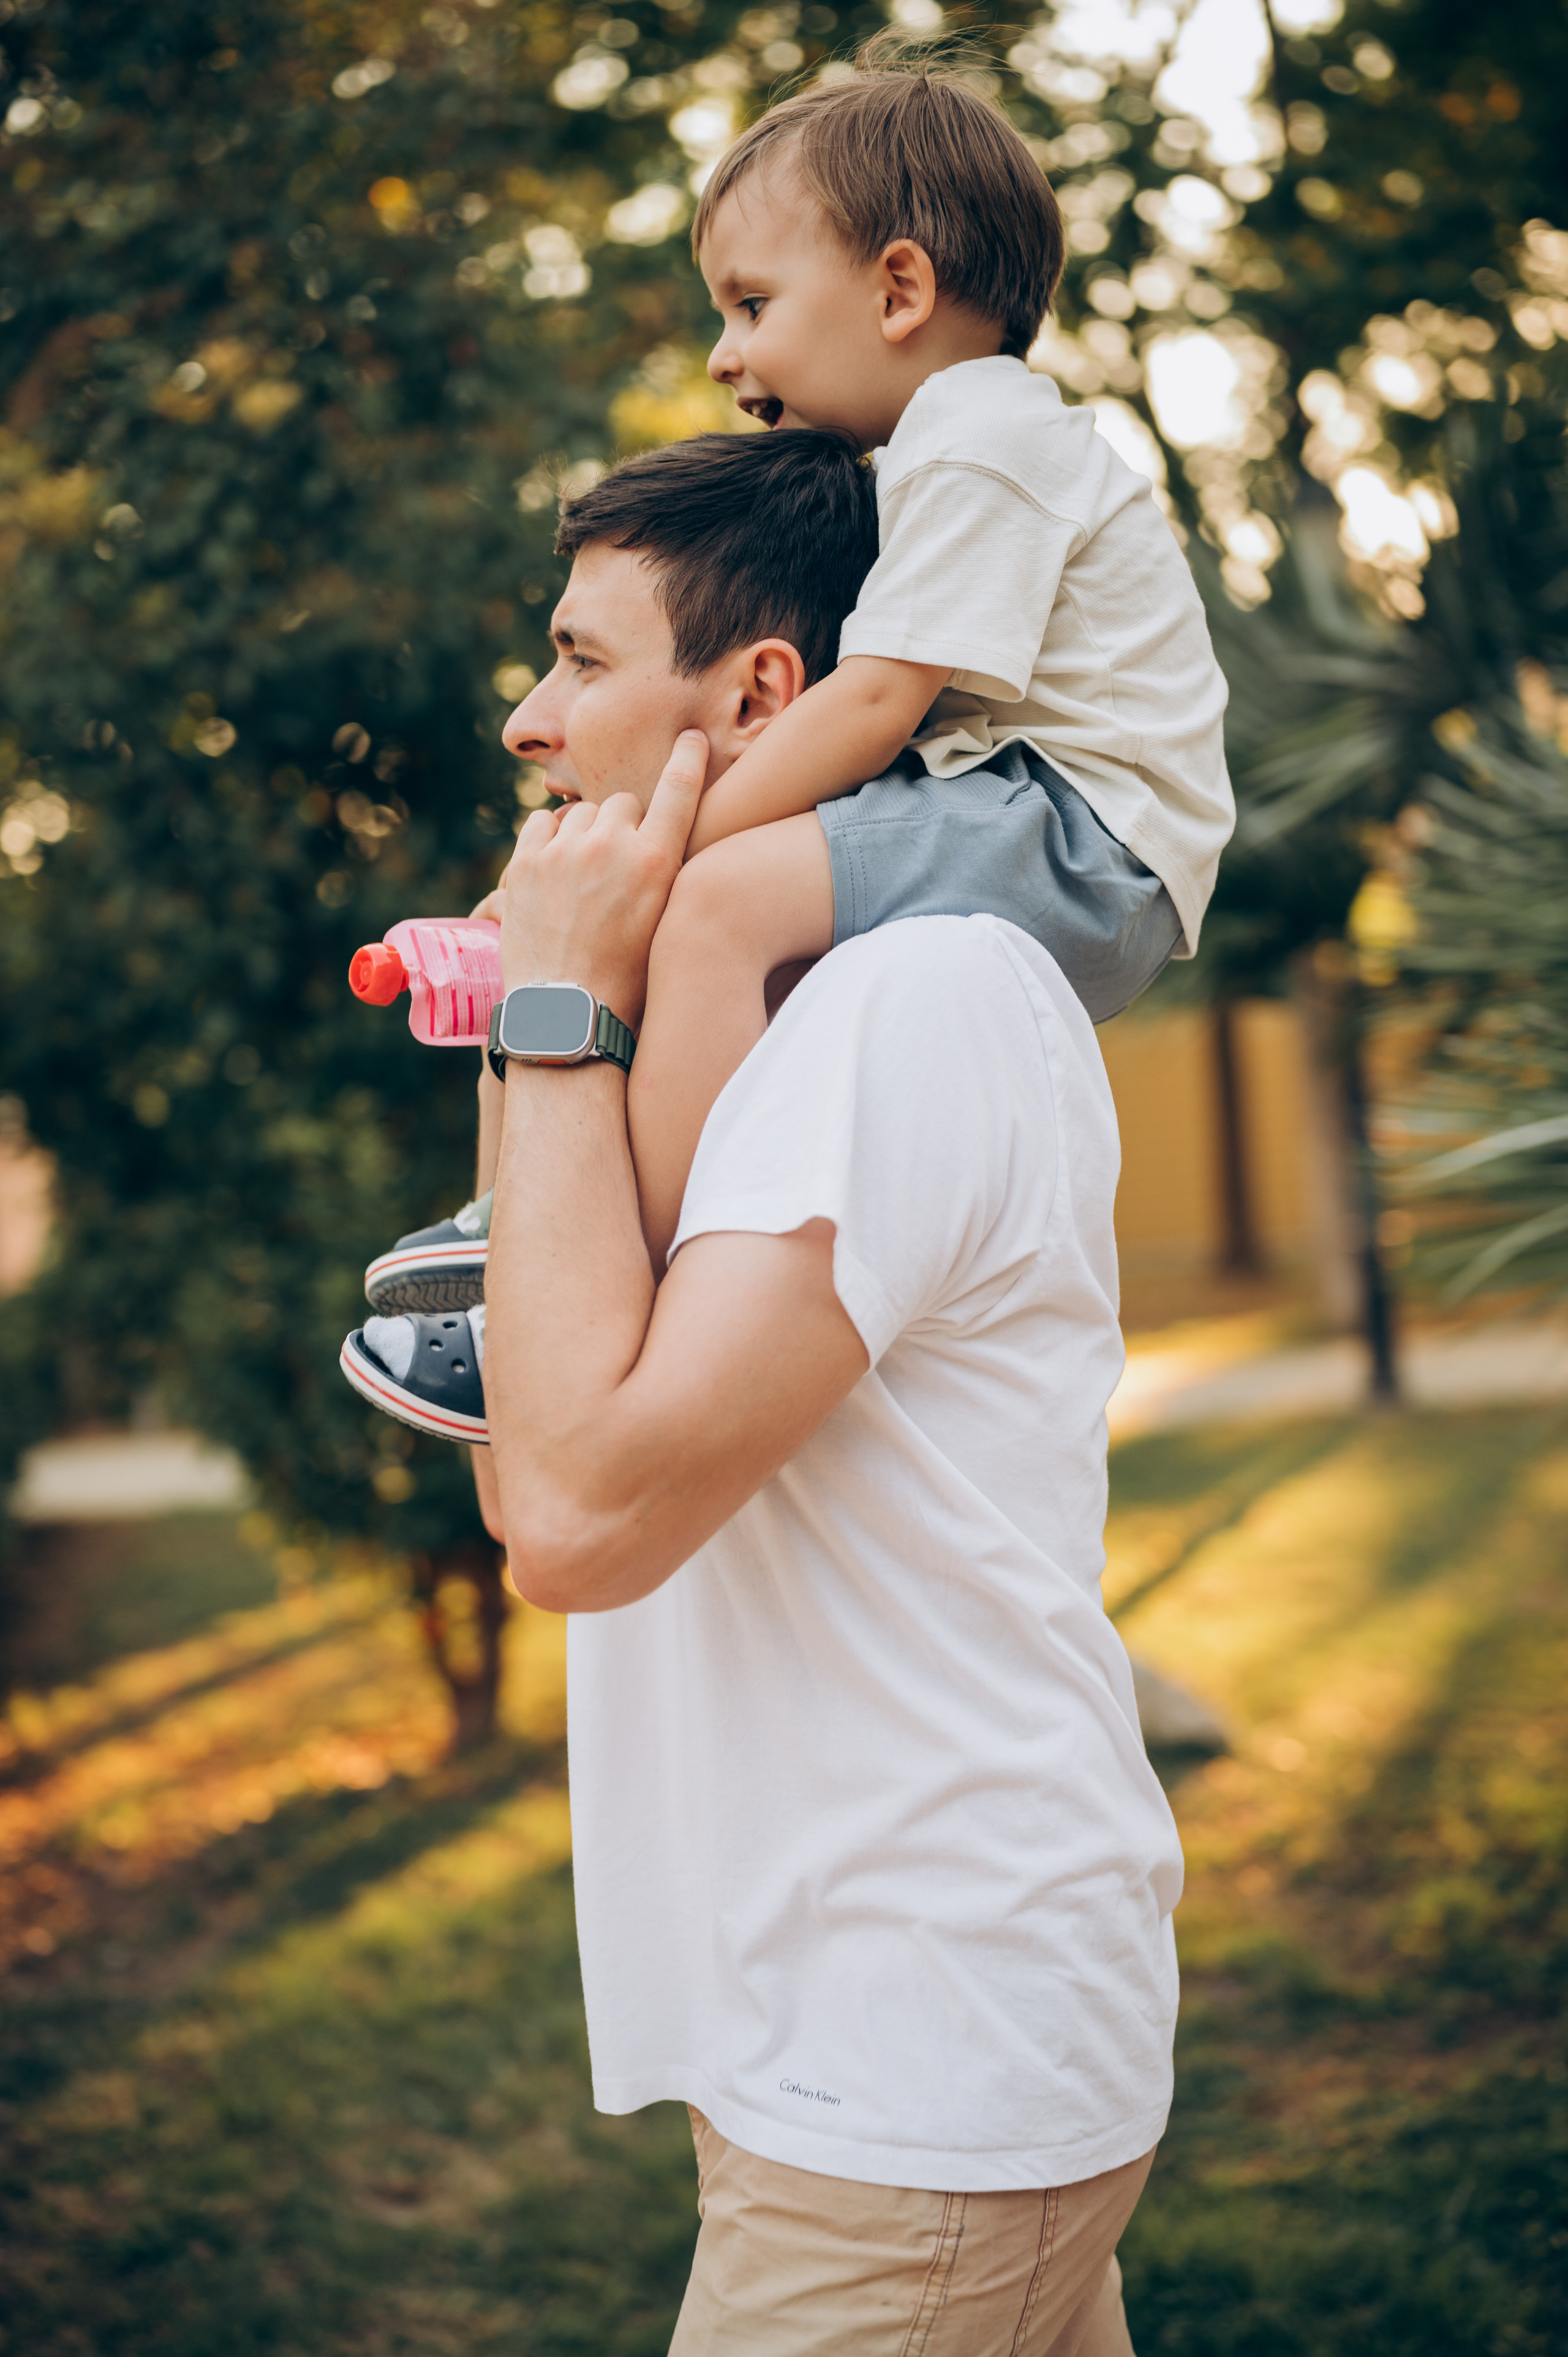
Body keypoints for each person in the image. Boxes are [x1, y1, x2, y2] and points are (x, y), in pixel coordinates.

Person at [349, 426, 1185, 2352]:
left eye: (577, 659)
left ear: (760, 695)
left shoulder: (920, 1006)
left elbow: (570, 1523)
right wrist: (540, 1004)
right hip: (830, 2055)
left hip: (912, 2076)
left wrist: (555, 1011)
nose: (523, 721)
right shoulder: (698, 1033)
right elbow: (532, 1456)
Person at [349, 44, 1231, 1354]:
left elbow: (869, 708)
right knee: (726, 909)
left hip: (1082, 839)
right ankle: (554, 1238)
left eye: (748, 304)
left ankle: (570, 1267)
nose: (721, 354)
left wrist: (650, 858)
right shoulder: (952, 449)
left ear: (898, 289)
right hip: (1036, 820)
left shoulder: (979, 436)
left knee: (713, 903)